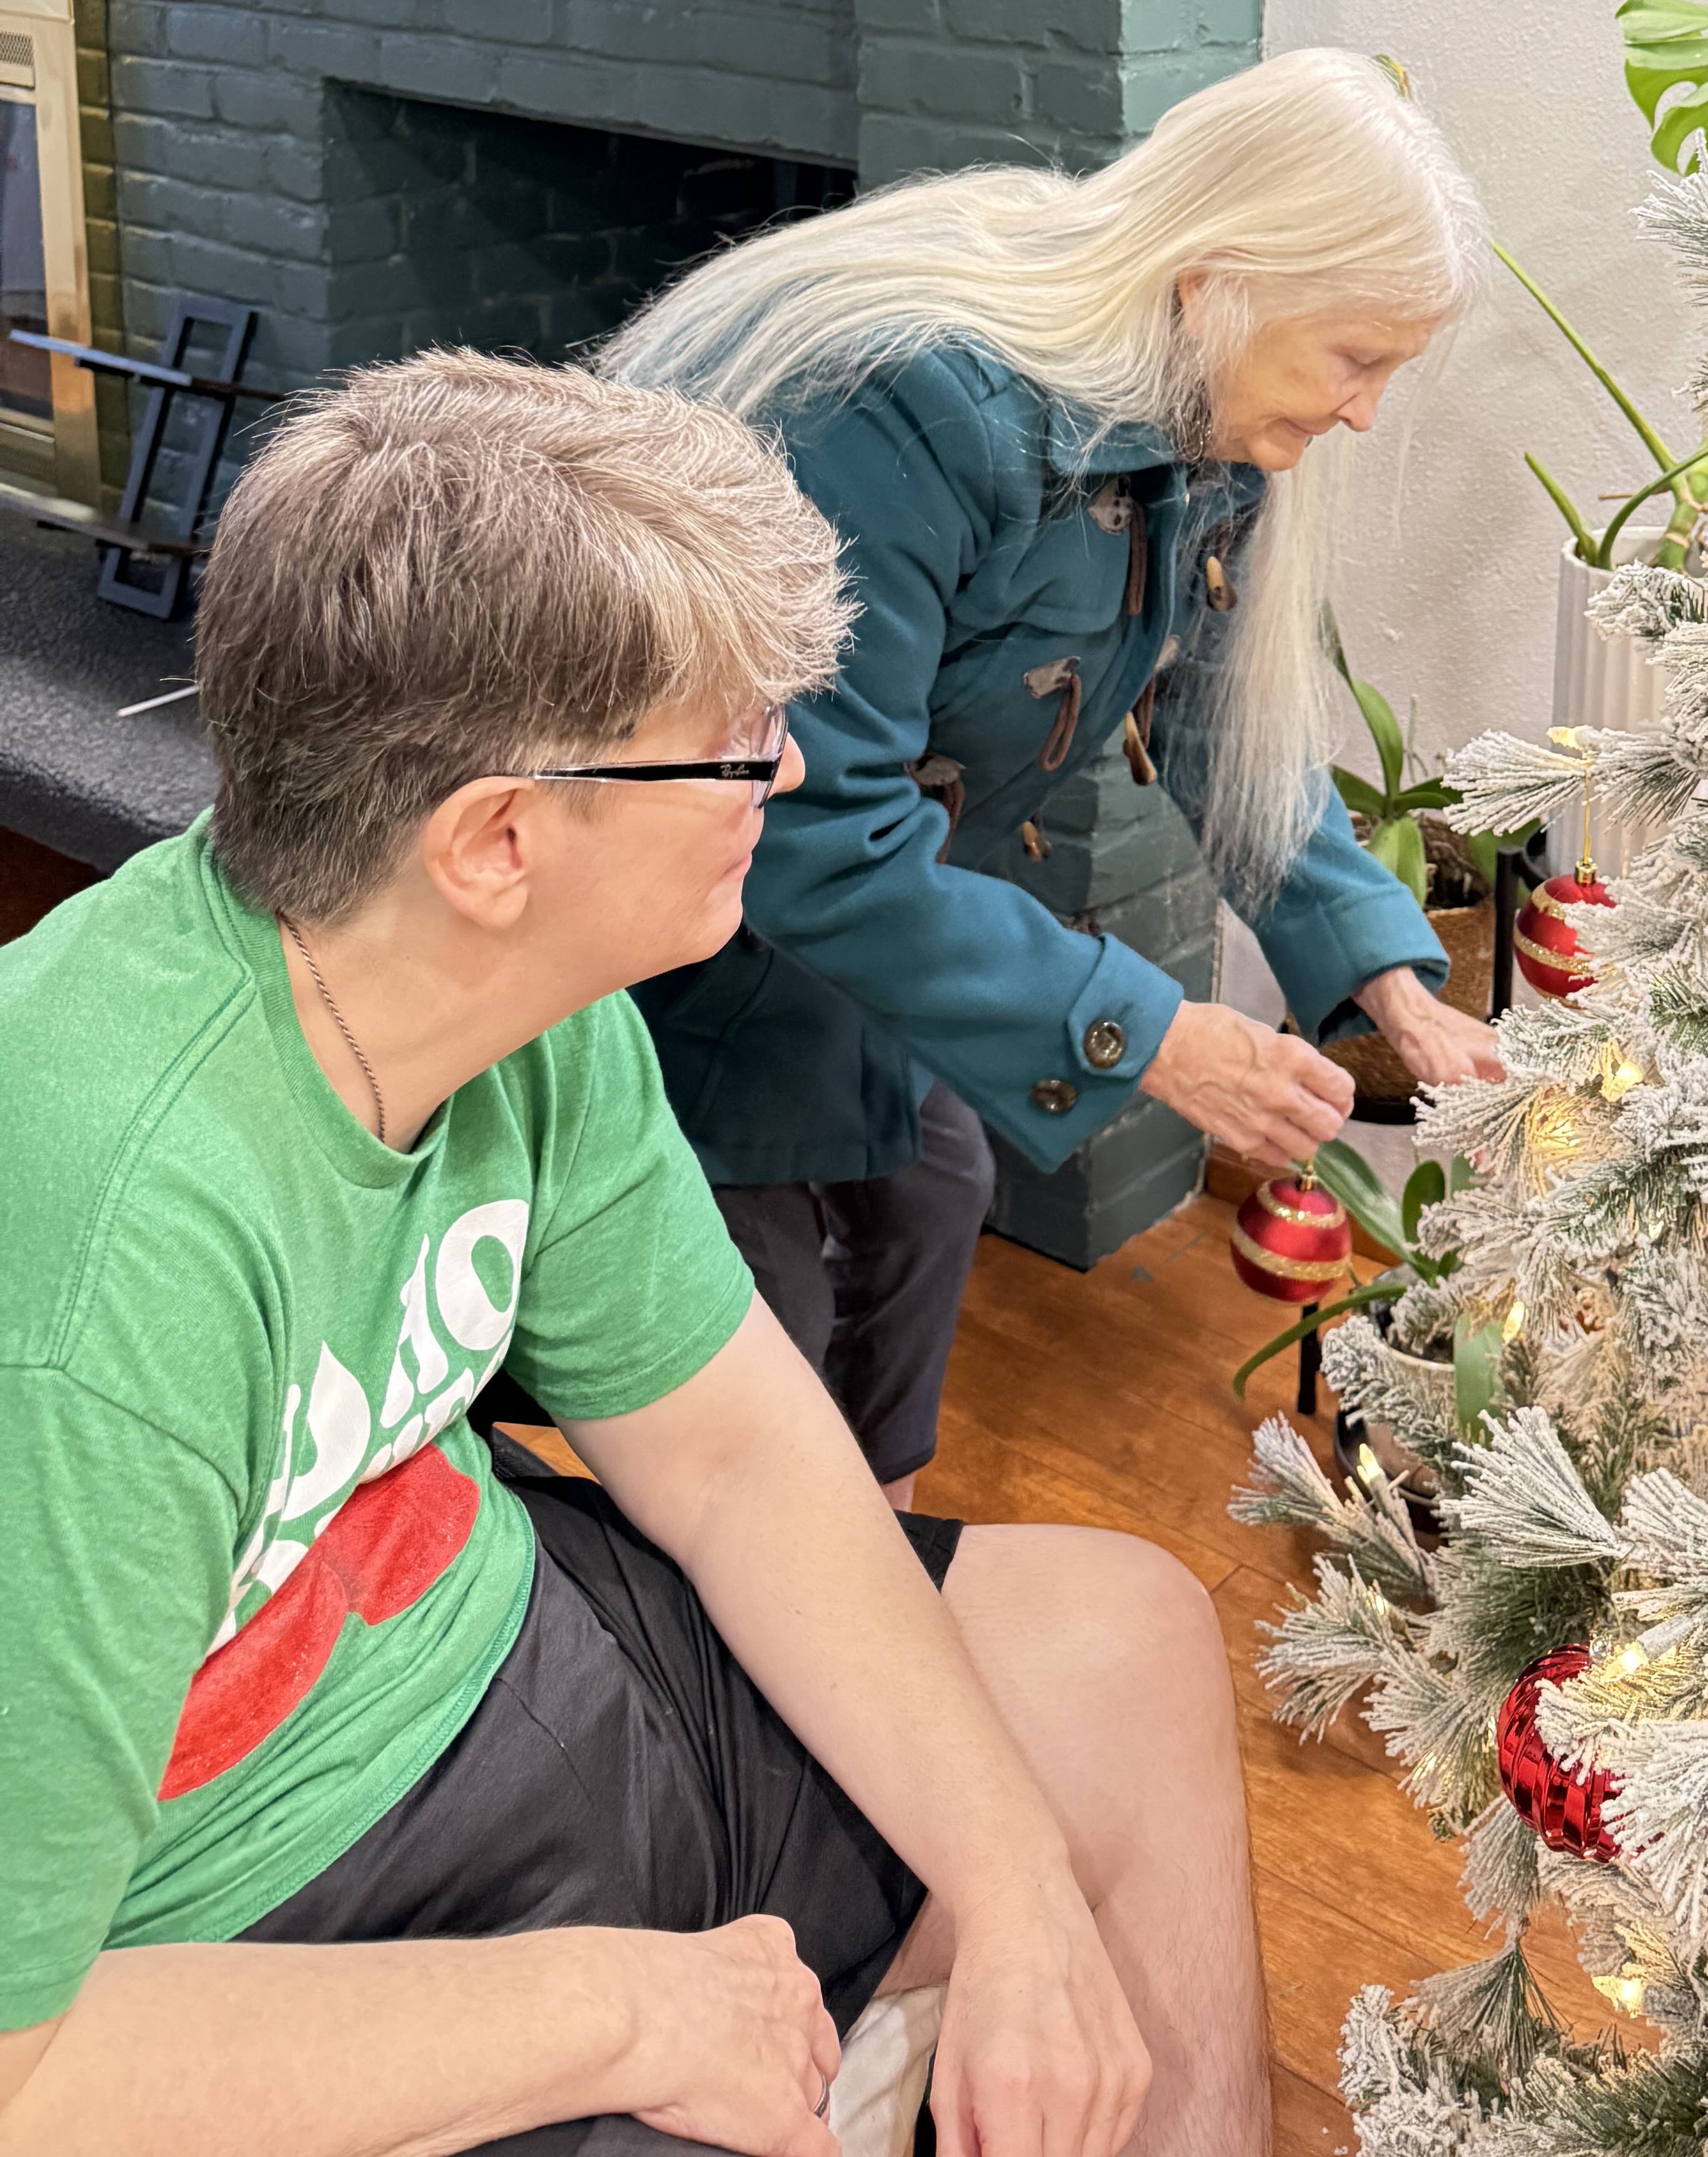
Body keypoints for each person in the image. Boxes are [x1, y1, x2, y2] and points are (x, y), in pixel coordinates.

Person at [0, 354, 1268, 2157]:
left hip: (519, 1655)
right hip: (262, 1920)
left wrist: (1022, 1894)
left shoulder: (519, 991)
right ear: (499, 839)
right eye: (729, 742)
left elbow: (736, 1456)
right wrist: (625, 2007)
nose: (794, 769)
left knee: (1119, 1644)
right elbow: (20, 2079)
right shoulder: (91, 1277)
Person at [604, 49, 1507, 1504]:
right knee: (756, 1371)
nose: (1366, 416)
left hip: (851, 951)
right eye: (1357, 358)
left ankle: (872, 1571)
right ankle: (772, 1642)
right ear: (1220, 283)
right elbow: (808, 829)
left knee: (934, 1195)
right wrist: (1157, 1036)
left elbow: (1227, 734)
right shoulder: (908, 410)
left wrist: (1397, 991)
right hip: (673, 959)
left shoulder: (1206, 435)